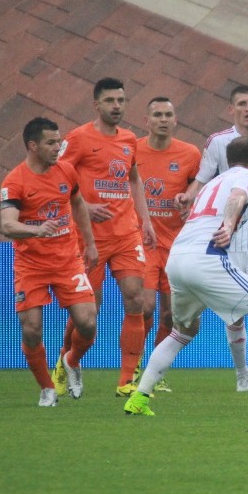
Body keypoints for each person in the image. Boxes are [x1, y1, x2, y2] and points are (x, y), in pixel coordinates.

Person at [125, 137, 248, 416]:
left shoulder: (211, 183)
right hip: (206, 258)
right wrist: (229, 223)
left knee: (182, 331)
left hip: (177, 258)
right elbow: (238, 196)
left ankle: (139, 398)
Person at [54, 77, 157, 397]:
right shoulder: (78, 138)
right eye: (110, 101)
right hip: (89, 238)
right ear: (96, 105)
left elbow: (135, 179)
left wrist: (146, 220)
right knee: (90, 310)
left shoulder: (129, 139)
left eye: (121, 101)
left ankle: (126, 380)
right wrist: (83, 206)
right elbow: (57, 178)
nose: (117, 106)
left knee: (135, 297)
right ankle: (68, 361)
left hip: (126, 233)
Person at [181, 85, 248, 392]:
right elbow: (202, 180)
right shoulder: (218, 142)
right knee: (236, 315)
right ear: (232, 110)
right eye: (242, 104)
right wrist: (186, 198)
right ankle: (242, 374)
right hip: (227, 238)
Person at [0, 117, 98, 406]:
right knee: (31, 329)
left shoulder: (66, 171)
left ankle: (71, 360)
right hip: (31, 266)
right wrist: (36, 230)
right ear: (33, 145)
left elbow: (78, 204)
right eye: (51, 142)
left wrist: (90, 244)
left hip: (68, 261)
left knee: (88, 323)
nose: (58, 147)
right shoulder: (14, 181)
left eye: (59, 141)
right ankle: (47, 388)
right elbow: (7, 225)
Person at [135, 96, 201, 392]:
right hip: (143, 243)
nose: (163, 119)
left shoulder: (189, 153)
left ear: (176, 120)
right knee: (145, 307)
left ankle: (155, 370)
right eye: (157, 114)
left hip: (177, 246)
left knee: (171, 315)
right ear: (146, 121)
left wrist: (189, 196)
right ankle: (133, 366)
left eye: (168, 114)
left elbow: (198, 186)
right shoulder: (132, 150)